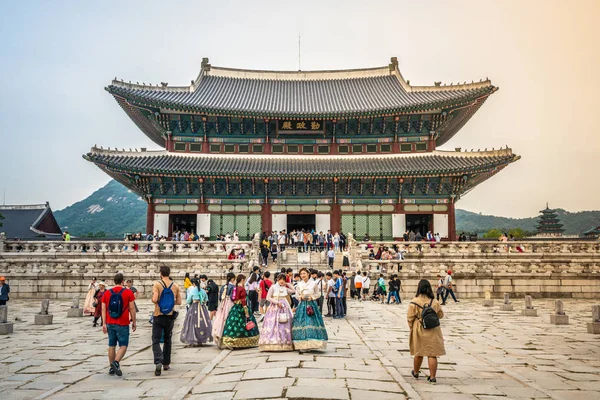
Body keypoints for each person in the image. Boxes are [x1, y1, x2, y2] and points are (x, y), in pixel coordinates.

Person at [408, 279, 445, 383]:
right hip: (433, 329)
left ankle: (415, 372)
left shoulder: (414, 301)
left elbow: (410, 318)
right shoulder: (434, 301)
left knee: (419, 352)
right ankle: (432, 377)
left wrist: (412, 328)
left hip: (419, 328)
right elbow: (441, 315)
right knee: (432, 354)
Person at [101, 273, 136, 377]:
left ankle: (112, 369)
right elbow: (132, 308)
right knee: (123, 345)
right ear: (122, 281)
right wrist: (134, 321)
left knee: (111, 345)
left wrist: (103, 323)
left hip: (110, 322)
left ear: (114, 281)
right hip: (123, 322)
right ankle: (116, 362)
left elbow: (103, 308)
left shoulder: (107, 293)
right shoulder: (128, 292)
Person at [151, 266, 183, 376]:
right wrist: (169, 303)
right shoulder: (175, 285)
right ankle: (166, 363)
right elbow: (179, 302)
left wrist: (157, 301)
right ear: (169, 273)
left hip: (158, 315)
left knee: (155, 339)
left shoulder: (157, 284)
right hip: (169, 316)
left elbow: (155, 299)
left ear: (160, 273)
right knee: (167, 339)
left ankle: (158, 360)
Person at [292, 268, 328, 351]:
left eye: (304, 273)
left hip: (311, 304)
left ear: (308, 274)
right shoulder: (299, 284)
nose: (302, 275)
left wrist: (312, 297)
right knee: (301, 323)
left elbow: (318, 294)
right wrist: (300, 297)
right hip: (302, 305)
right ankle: (302, 344)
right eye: (301, 274)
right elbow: (297, 295)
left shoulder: (313, 283)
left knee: (311, 322)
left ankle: (312, 342)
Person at [259, 273, 296, 351]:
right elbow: (268, 297)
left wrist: (288, 284)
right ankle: (272, 341)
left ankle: (285, 341)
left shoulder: (285, 288)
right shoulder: (273, 287)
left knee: (285, 322)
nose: (282, 281)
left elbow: (293, 291)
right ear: (277, 279)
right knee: (274, 323)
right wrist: (276, 302)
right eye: (280, 279)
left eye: (283, 279)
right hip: (275, 307)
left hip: (284, 306)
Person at [222, 274, 260, 349]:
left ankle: (230, 340)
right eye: (244, 280)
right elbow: (243, 300)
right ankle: (246, 340)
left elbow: (232, 298)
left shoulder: (235, 288)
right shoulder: (241, 289)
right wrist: (246, 311)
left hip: (235, 307)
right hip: (242, 307)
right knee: (245, 322)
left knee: (233, 323)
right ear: (242, 280)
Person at [180, 282, 213, 346]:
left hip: (194, 307)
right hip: (202, 307)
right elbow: (206, 299)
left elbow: (188, 300)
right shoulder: (203, 291)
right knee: (204, 322)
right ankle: (202, 337)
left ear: (194, 284)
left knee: (192, 322)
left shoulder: (193, 290)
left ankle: (193, 338)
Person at [212, 272, 236, 348]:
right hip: (229, 304)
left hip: (223, 304)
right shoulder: (233, 287)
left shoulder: (223, 286)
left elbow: (220, 297)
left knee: (221, 319)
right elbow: (233, 297)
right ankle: (228, 340)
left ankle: (219, 338)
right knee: (229, 319)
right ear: (232, 279)